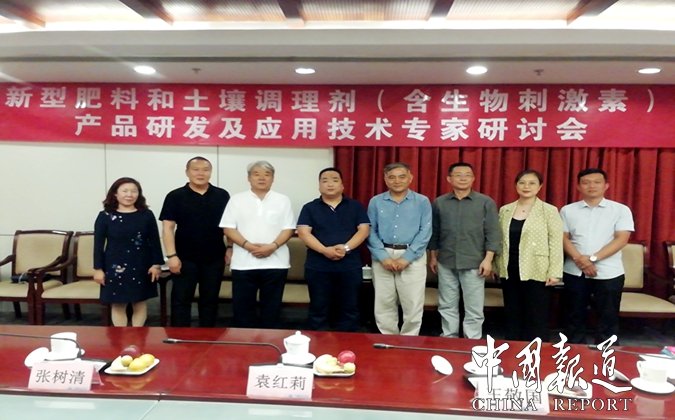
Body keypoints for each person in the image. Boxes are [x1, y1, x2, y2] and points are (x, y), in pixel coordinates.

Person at [560, 168, 634, 344]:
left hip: (609, 272)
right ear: (578, 186)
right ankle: (573, 351)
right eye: (586, 182)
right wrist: (580, 260)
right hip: (574, 271)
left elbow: (622, 238)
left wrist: (592, 259)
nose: (591, 186)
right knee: (574, 316)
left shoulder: (620, 210)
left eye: (597, 182)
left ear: (606, 185)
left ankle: (606, 353)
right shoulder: (567, 210)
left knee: (608, 317)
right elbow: (562, 238)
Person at [428, 162, 501, 339]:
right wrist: (433, 257)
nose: (463, 178)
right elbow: (435, 232)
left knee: (474, 307)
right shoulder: (439, 202)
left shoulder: (485, 202)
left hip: (475, 262)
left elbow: (493, 233)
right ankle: (449, 337)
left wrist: (488, 260)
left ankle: (472, 340)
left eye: (467, 175)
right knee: (447, 305)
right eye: (458, 175)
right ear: (449, 179)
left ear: (473, 178)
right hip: (446, 260)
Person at [219, 161, 295, 328]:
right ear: (249, 178)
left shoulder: (283, 200)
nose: (261, 178)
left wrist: (272, 246)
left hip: (276, 262)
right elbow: (228, 228)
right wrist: (248, 246)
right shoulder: (236, 200)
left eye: (267, 174)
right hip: (243, 263)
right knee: (243, 311)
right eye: (256, 174)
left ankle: (270, 341)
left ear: (273, 178)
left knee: (272, 310)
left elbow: (288, 229)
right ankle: (244, 343)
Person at [159, 156, 230, 327]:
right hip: (184, 258)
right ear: (187, 172)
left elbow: (229, 226)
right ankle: (179, 337)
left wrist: (230, 247)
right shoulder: (175, 196)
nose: (200, 173)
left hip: (215, 257)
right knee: (181, 300)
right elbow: (168, 228)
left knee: (210, 300)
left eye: (205, 170)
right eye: (196, 169)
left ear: (210, 172)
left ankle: (208, 337)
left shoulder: (222, 195)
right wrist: (171, 256)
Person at [297, 167, 370, 331]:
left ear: (342, 185)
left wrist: (345, 248)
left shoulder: (355, 206)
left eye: (335, 180)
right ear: (319, 186)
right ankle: (319, 342)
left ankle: (347, 342)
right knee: (318, 309)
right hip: (318, 266)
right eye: (325, 180)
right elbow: (303, 233)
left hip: (349, 265)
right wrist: (324, 250)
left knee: (349, 308)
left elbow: (364, 230)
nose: (330, 184)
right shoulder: (309, 208)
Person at [494, 169, 563, 342]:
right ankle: (512, 348)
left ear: (540, 187)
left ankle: (537, 351)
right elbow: (499, 240)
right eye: (522, 183)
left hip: (537, 268)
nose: (526, 186)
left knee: (536, 314)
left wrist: (555, 272)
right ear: (515, 185)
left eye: (532, 183)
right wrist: (496, 265)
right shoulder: (505, 210)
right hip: (509, 267)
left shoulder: (549, 210)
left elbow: (556, 242)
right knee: (512, 312)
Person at [367, 162, 432, 335]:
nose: (397, 181)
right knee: (384, 302)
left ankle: (409, 339)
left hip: (413, 255)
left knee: (412, 302)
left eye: (402, 177)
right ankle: (388, 339)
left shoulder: (422, 201)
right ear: (385, 179)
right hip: (383, 255)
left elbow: (425, 231)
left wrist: (407, 258)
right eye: (392, 177)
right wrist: (383, 257)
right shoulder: (376, 202)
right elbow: (370, 230)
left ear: (410, 178)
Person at [93, 177, 163, 327]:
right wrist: (98, 269)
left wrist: (156, 264)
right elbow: (98, 245)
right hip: (114, 266)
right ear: (115, 194)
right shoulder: (105, 216)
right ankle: (121, 337)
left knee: (140, 302)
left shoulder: (146, 215)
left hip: (142, 265)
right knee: (118, 303)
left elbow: (154, 241)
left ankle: (137, 336)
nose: (129, 195)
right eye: (125, 191)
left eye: (134, 191)